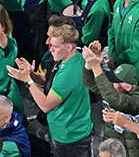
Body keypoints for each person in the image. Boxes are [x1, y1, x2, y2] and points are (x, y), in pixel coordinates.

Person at [7, 22, 93, 157]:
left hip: (70, 137)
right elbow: (50, 81)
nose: (51, 49)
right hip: (70, 130)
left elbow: (46, 106)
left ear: (69, 47)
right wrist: (31, 74)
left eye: (55, 46)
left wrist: (27, 80)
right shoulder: (72, 58)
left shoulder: (68, 74)